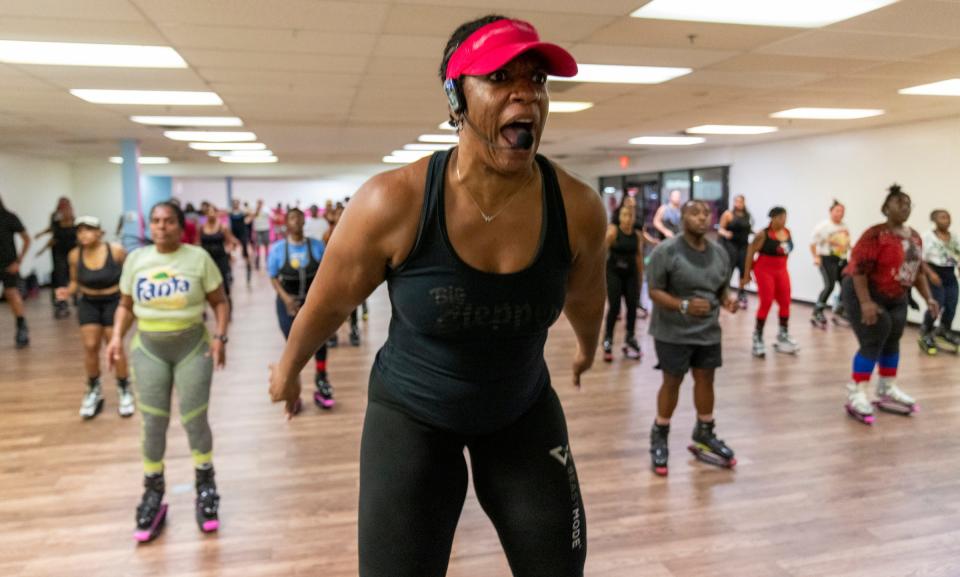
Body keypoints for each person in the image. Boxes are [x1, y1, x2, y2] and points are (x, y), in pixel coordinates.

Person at [269, 15, 605, 576]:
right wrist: (288, 368)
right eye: (500, 77)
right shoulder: (391, 202)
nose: (526, 93)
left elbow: (588, 296)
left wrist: (587, 348)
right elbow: (328, 302)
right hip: (413, 415)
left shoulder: (576, 207)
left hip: (521, 410)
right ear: (455, 98)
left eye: (537, 80)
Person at [105, 201, 230, 542]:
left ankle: (206, 486)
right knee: (153, 422)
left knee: (194, 419)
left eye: (169, 221)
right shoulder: (137, 260)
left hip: (192, 347)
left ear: (180, 225)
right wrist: (116, 336)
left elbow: (219, 301)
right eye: (156, 221)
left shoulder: (198, 259)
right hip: (149, 350)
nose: (162, 227)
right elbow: (126, 306)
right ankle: (152, 492)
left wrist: (220, 337)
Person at [646, 200, 739, 476]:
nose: (701, 218)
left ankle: (704, 431)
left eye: (705, 213)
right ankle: (660, 433)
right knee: (672, 381)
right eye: (694, 213)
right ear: (682, 218)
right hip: (672, 331)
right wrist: (683, 306)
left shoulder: (719, 254)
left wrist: (728, 301)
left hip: (708, 331)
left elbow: (721, 289)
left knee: (706, 378)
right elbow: (654, 290)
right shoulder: (667, 250)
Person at [841, 185, 937, 424]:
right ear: (886, 208)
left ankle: (886, 387)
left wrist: (929, 299)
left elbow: (916, 272)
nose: (904, 206)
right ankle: (857, 391)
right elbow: (859, 270)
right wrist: (865, 303)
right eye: (898, 202)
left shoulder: (914, 236)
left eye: (908, 202)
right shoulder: (875, 235)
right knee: (873, 339)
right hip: (862, 292)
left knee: (893, 339)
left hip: (895, 295)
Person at [56, 216, 133, 419]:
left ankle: (124, 388)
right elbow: (74, 281)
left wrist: (130, 301)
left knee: (114, 346)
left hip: (114, 301)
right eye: (79, 230)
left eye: (88, 229)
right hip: (88, 301)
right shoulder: (75, 255)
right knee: (90, 346)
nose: (83, 234)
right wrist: (67, 292)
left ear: (99, 232)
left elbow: (130, 274)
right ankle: (93, 389)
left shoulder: (115, 251)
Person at [268, 208, 333, 408]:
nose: (296, 221)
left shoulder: (317, 246)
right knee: (294, 348)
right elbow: (273, 277)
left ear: (305, 221)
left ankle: (322, 380)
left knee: (319, 343)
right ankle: (293, 392)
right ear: (286, 223)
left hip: (313, 304)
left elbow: (326, 273)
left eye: (299, 217)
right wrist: (287, 299)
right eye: (292, 218)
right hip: (288, 305)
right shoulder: (278, 249)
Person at [742, 206, 798, 357]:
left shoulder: (787, 233)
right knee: (766, 302)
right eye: (780, 217)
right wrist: (746, 274)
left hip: (782, 271)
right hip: (764, 271)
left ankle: (783, 335)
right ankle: (758, 337)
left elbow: (786, 252)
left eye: (785, 217)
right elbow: (750, 252)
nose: (783, 220)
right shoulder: (763, 234)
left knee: (785, 302)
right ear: (772, 218)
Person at [602, 201, 643, 361]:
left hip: (631, 275)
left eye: (630, 216)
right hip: (614, 274)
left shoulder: (637, 235)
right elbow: (602, 254)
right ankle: (608, 339)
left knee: (632, 306)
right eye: (624, 215)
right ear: (619, 217)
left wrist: (641, 279)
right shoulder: (613, 232)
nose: (627, 219)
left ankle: (630, 338)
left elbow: (639, 258)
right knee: (615, 307)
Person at [919, 209, 960, 354]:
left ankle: (944, 330)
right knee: (937, 303)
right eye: (942, 217)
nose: (946, 220)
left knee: (952, 304)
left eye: (948, 217)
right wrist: (930, 274)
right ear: (934, 220)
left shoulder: (954, 237)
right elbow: (920, 258)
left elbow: (957, 253)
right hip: (934, 272)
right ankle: (926, 332)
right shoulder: (927, 237)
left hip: (949, 274)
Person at [809, 200, 851, 328]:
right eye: (837, 211)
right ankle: (817, 312)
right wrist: (816, 257)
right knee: (830, 286)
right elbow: (812, 243)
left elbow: (847, 243)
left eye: (842, 211)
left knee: (848, 285)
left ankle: (839, 311)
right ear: (831, 211)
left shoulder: (844, 226)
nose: (840, 213)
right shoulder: (823, 227)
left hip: (842, 259)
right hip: (827, 259)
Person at [36, 197, 77, 318]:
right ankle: (62, 304)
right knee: (60, 278)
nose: (64, 210)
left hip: (73, 252)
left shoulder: (75, 222)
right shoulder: (55, 220)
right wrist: (42, 247)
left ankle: (76, 298)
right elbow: (53, 236)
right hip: (59, 253)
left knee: (74, 275)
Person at [0, 195, 30, 348]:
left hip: (8, 264)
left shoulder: (9, 217)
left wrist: (18, 261)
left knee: (12, 294)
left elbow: (26, 239)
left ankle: (21, 328)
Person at [717, 194, 752, 308]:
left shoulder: (747, 215)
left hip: (743, 245)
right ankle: (725, 293)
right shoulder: (728, 214)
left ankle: (741, 292)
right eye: (736, 201)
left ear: (744, 202)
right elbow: (720, 229)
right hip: (731, 245)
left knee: (743, 269)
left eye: (740, 201)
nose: (738, 204)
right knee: (729, 269)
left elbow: (747, 229)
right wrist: (726, 233)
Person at [229, 199, 252, 284]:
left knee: (245, 253)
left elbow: (252, 214)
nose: (235, 205)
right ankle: (229, 273)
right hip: (233, 235)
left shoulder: (243, 212)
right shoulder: (230, 212)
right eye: (234, 203)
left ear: (239, 204)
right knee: (230, 253)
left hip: (242, 234)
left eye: (237, 203)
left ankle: (248, 269)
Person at [252, 200, 271, 269]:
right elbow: (253, 216)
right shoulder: (254, 210)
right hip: (258, 230)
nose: (259, 204)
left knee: (266, 246)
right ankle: (257, 262)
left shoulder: (266, 209)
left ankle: (267, 262)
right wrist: (257, 209)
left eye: (261, 203)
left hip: (265, 229)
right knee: (258, 246)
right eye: (258, 203)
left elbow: (271, 215)